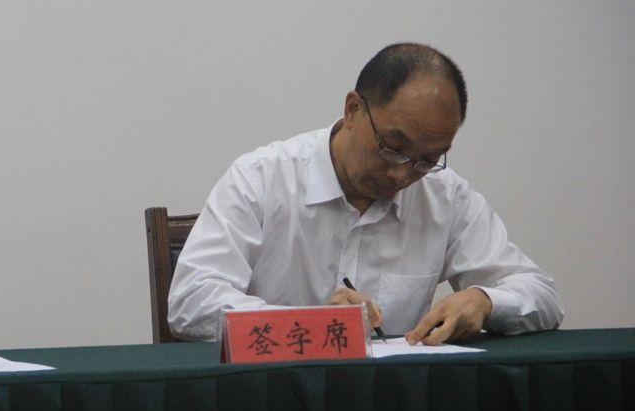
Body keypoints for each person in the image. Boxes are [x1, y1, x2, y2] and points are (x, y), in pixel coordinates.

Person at [168, 43, 563, 344]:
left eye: (427, 159)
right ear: (353, 110)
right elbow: (192, 301)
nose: (402, 173)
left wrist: (485, 301)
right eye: (392, 147)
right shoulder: (261, 179)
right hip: (273, 399)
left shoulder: (446, 197)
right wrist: (314, 325)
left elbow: (542, 294)